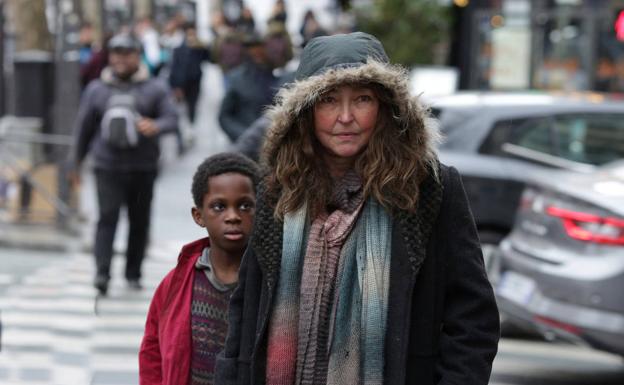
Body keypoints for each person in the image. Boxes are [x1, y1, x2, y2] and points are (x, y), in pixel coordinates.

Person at [215, 32, 500, 385]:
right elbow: (246, 308)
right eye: (329, 100)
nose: (346, 117)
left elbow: (473, 317)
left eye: (362, 99)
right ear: (305, 111)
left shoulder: (428, 189)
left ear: (385, 107)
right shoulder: (279, 189)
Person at [71, 33, 178, 296]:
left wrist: (156, 125)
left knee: (139, 222)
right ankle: (102, 274)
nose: (120, 59)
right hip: (107, 167)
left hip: (143, 167)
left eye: (127, 53)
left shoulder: (155, 88)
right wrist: (74, 163)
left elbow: (172, 119)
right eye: (116, 53)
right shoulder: (97, 89)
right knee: (106, 219)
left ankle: (133, 273)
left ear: (138, 56)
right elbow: (83, 128)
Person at [139, 152, 260, 385]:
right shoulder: (176, 284)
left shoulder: (270, 281)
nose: (233, 216)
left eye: (245, 206)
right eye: (219, 207)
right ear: (199, 215)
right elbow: (152, 351)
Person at [218, 32, 280, 142]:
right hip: (247, 143)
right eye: (252, 48)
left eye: (260, 47)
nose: (257, 52)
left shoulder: (276, 77)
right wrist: (243, 135)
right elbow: (224, 116)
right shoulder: (236, 78)